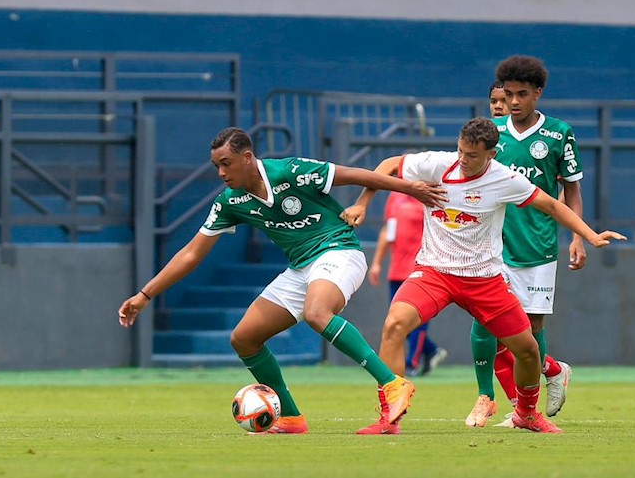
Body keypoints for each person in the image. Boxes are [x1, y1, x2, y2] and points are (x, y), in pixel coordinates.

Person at [117, 126, 447, 435]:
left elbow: (353, 174)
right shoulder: (229, 203)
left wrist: (410, 188)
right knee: (244, 338)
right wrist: (145, 295)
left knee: (317, 312)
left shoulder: (290, 171)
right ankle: (290, 416)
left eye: (226, 164)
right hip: (301, 266)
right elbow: (191, 254)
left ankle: (392, 383)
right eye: (216, 166)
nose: (221, 173)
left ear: (247, 158)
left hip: (339, 250)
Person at [343, 117, 626, 434]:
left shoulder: (505, 179)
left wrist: (589, 235)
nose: (463, 159)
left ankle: (527, 414)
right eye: (461, 151)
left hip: (484, 280)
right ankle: (389, 419)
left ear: (491, 155)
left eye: (472, 155)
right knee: (394, 324)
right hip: (435, 272)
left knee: (529, 350)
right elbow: (388, 165)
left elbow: (551, 206)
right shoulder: (439, 164)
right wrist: (363, 202)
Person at [466, 61, 584, 429]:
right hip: (490, 243)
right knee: (484, 322)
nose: (513, 102)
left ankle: (544, 382)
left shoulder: (559, 134)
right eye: (508, 94)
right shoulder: (493, 132)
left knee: (529, 331)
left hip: (537, 243)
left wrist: (578, 236)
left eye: (521, 95)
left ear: (537, 94)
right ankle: (487, 398)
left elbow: (571, 191)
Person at [368, 192, 448, 377]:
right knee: (397, 322)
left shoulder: (428, 197)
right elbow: (389, 230)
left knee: (418, 320)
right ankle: (432, 351)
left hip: (421, 270)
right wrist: (377, 263)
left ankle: (412, 363)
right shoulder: (395, 197)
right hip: (397, 270)